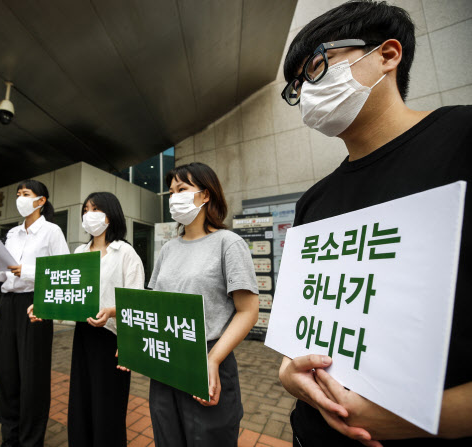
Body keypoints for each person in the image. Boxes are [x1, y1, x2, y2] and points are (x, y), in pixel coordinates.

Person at [278, 1, 472, 446]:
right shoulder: (315, 201)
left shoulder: (463, 140)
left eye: (317, 67)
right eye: (295, 86)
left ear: (387, 54)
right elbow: (298, 335)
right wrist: (288, 374)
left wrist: (416, 419)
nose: (306, 91)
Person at [146, 162, 259, 446]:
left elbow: (248, 311)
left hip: (209, 356)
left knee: (208, 438)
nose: (174, 197)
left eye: (182, 189)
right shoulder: (168, 248)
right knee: (167, 437)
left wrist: (214, 359)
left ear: (205, 195)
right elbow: (153, 303)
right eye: (171, 192)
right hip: (166, 357)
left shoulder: (229, 243)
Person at [30, 192, 144, 446]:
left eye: (95, 209)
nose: (88, 215)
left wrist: (112, 312)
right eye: (85, 210)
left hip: (113, 339)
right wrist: (41, 306)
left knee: (108, 407)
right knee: (81, 401)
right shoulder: (80, 251)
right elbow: (66, 292)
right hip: (84, 336)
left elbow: (136, 302)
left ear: (110, 214)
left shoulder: (125, 252)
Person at [0, 179, 69, 447]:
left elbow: (65, 272)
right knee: (6, 372)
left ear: (41, 201)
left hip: (36, 304)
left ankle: (31, 440)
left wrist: (28, 272)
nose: (20, 198)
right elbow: (2, 275)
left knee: (33, 376)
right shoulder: (11, 234)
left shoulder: (52, 232)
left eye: (26, 194)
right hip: (7, 304)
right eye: (18, 194)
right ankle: (10, 436)